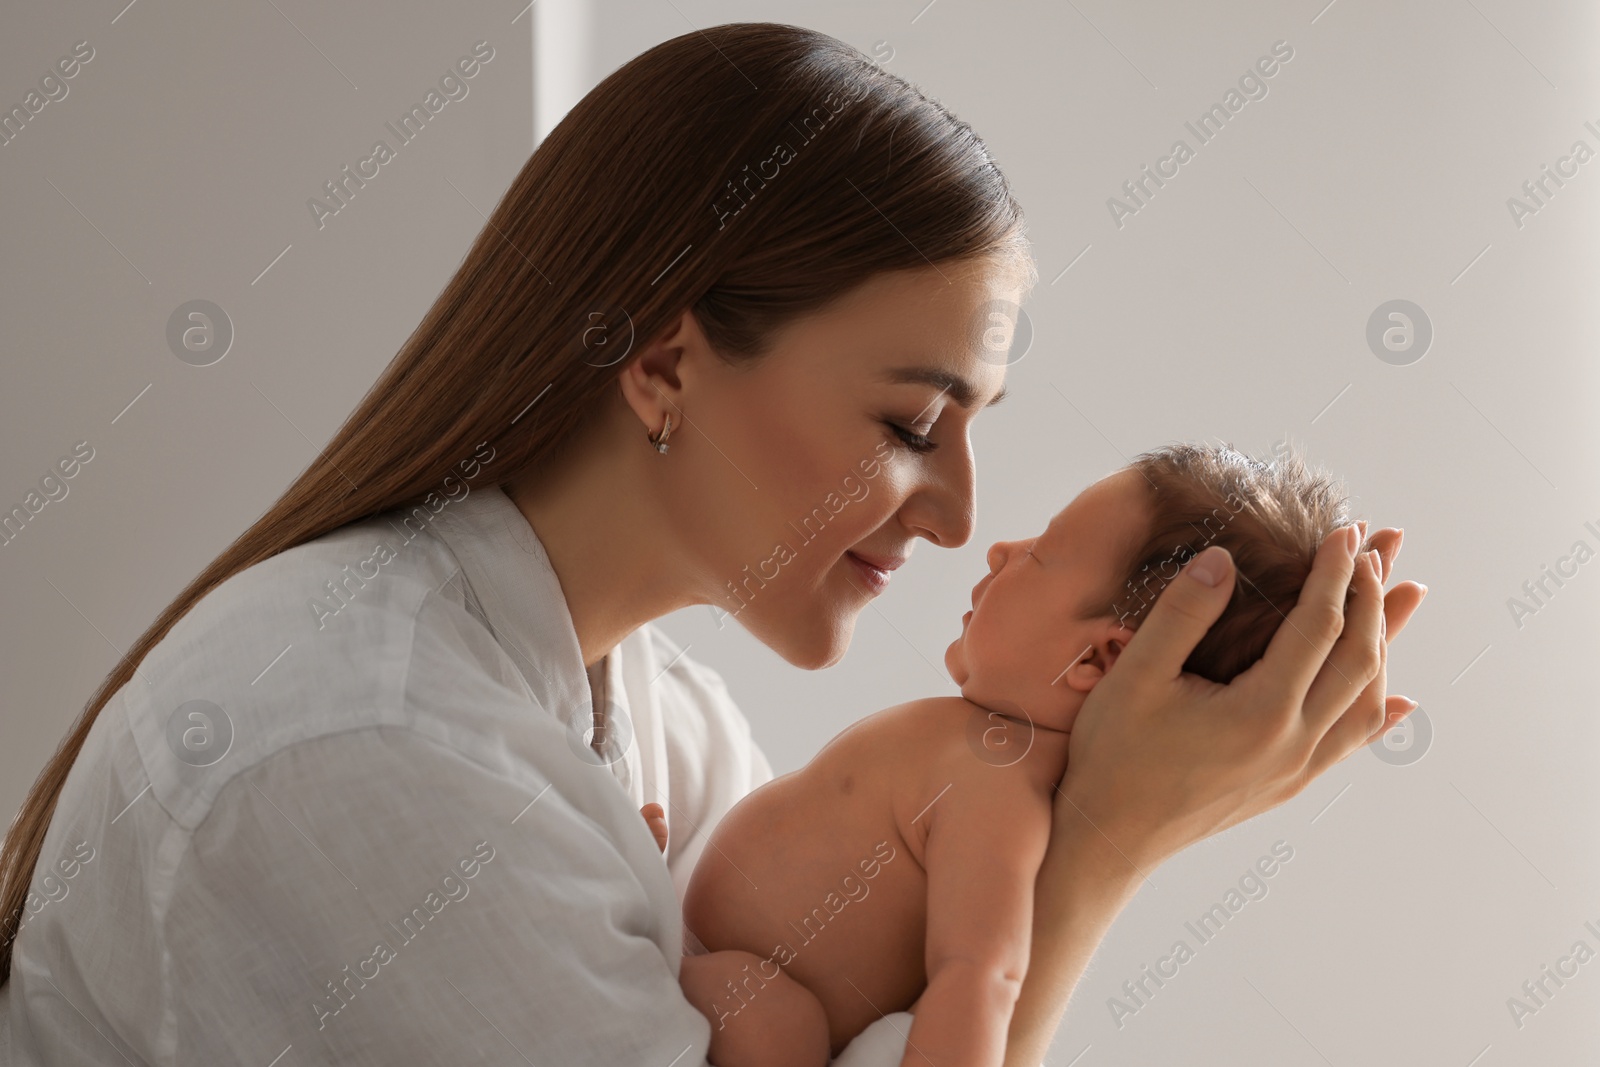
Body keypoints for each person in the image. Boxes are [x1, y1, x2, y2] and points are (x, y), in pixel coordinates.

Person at [0, 23, 1426, 1066]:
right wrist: (1102, 847)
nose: (959, 517)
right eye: (914, 420)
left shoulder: (660, 720)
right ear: (665, 361)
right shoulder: (363, 746)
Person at [669, 442, 1394, 1066]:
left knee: (773, 1026)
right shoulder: (981, 751)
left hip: (748, 1003)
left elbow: (981, 970)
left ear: (1099, 657)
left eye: (1040, 552)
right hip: (703, 953)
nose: (1000, 549)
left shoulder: (998, 787)